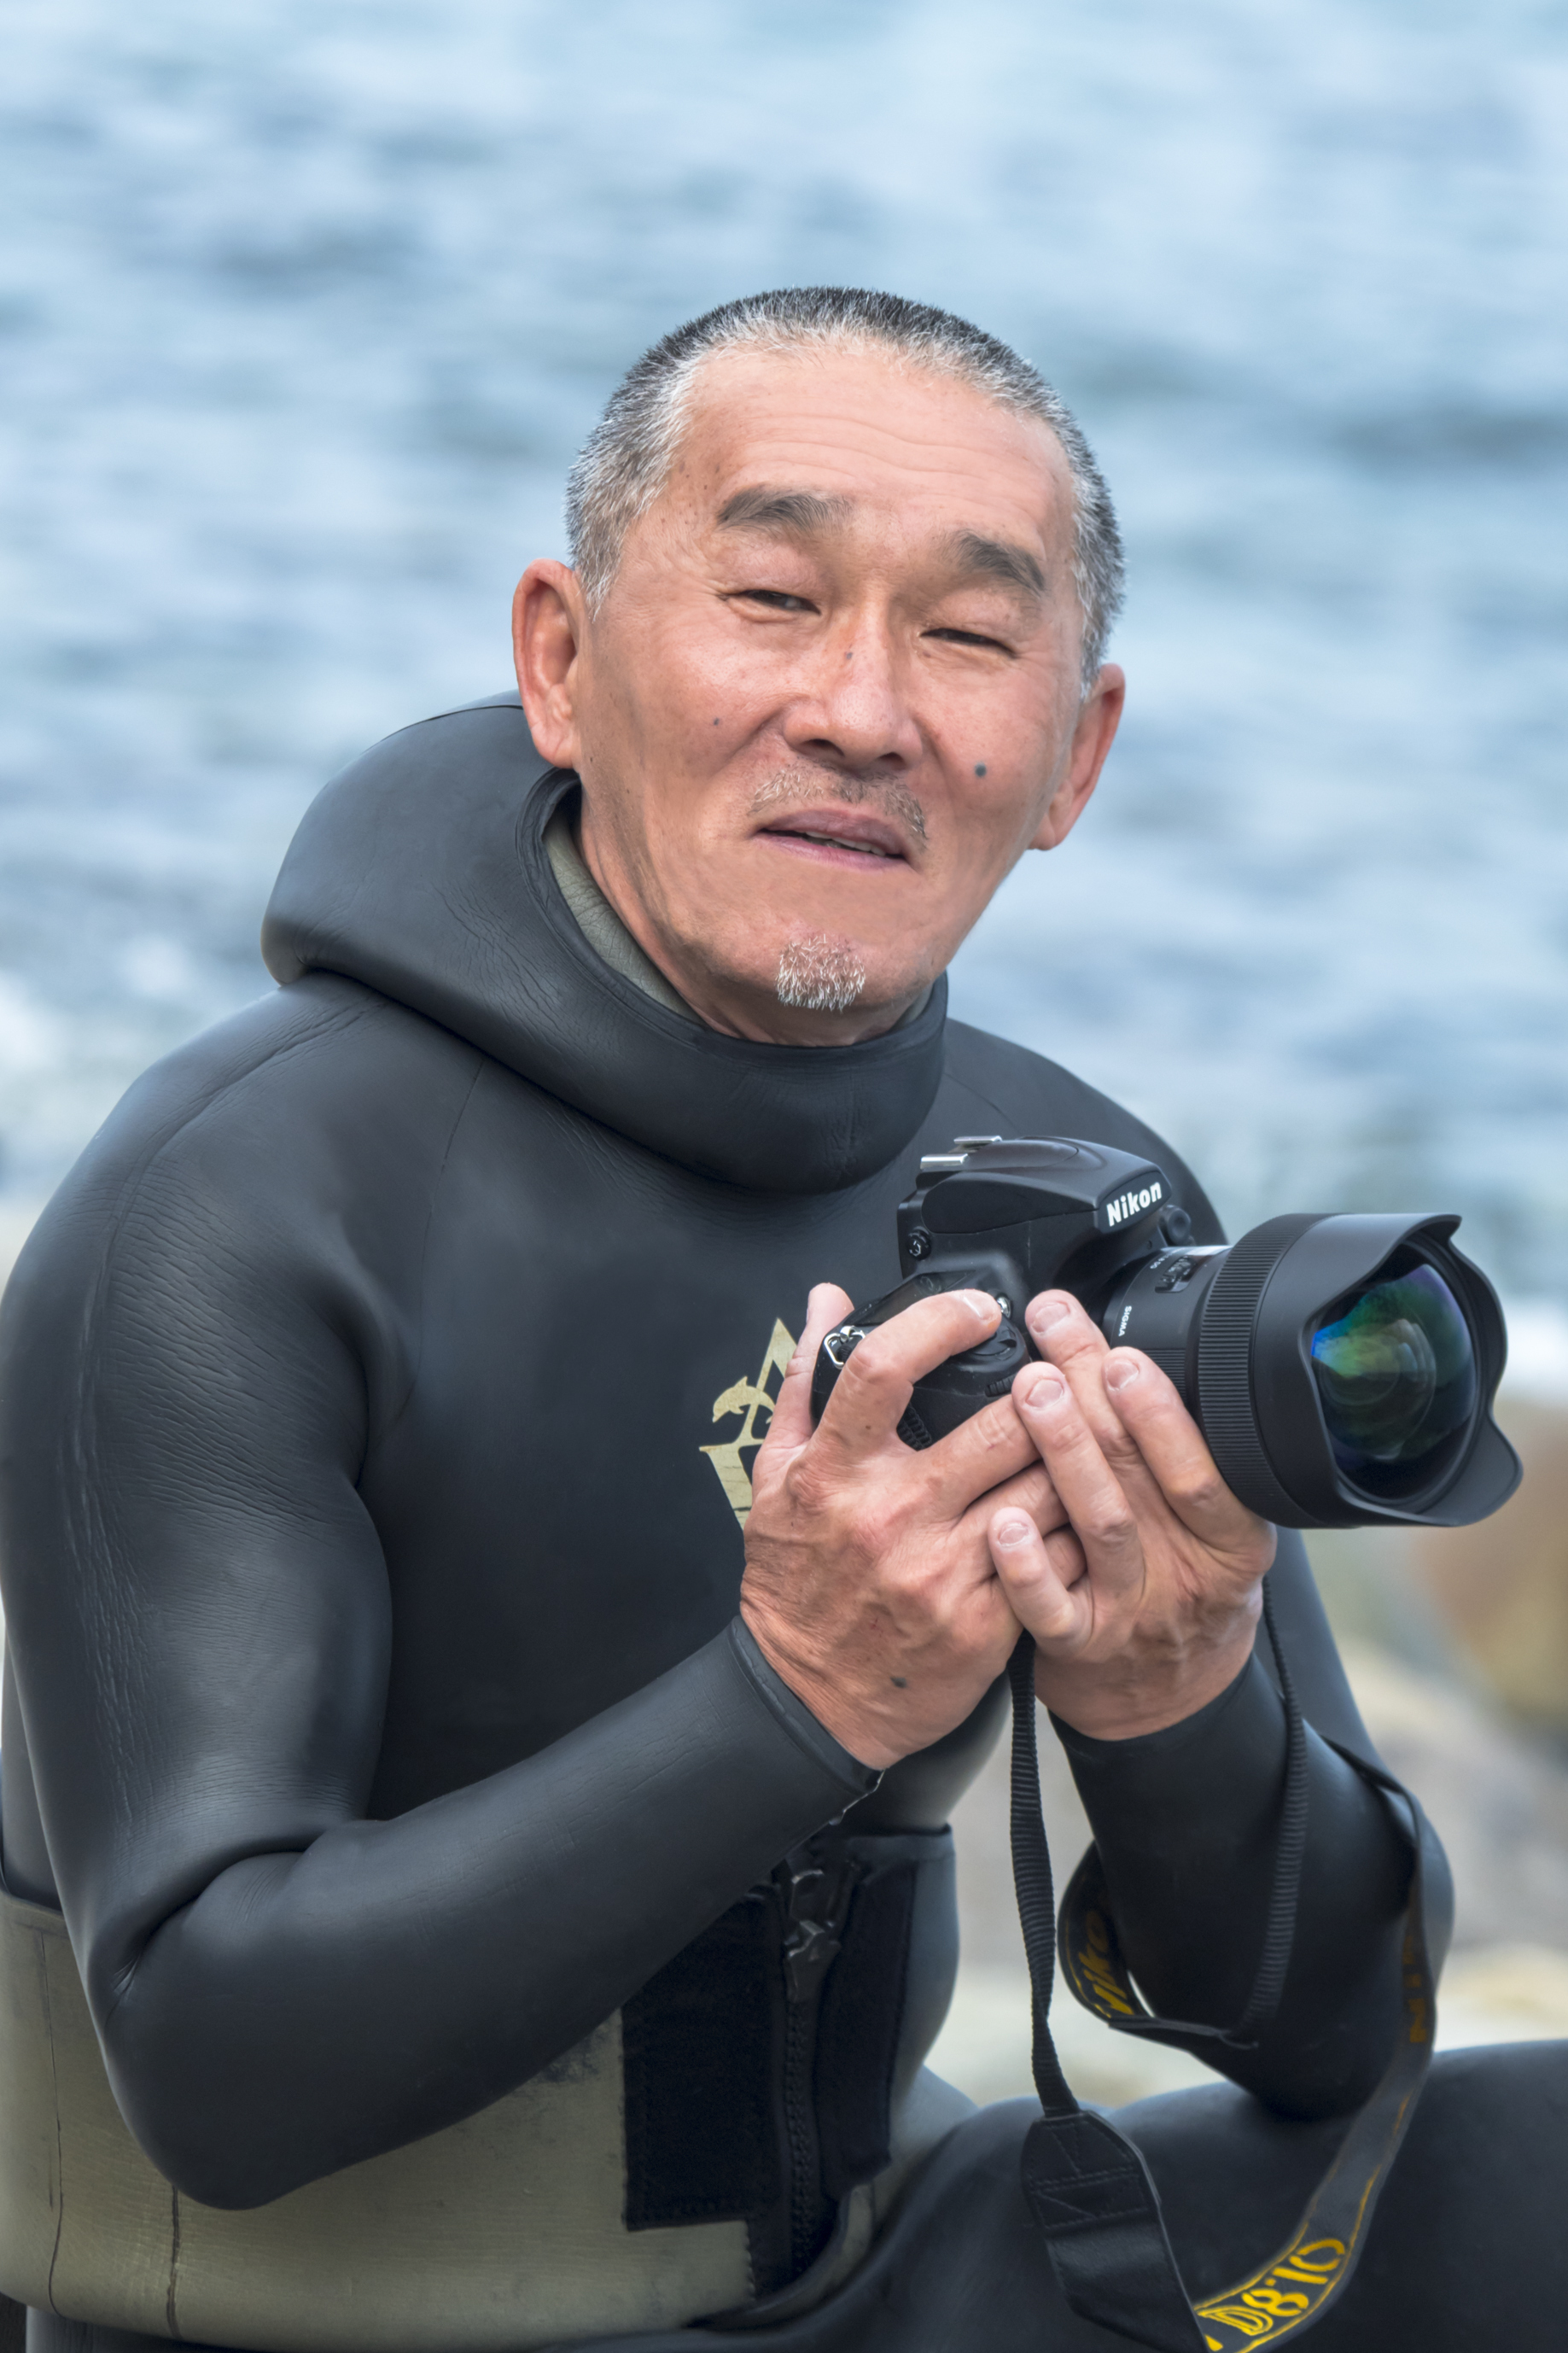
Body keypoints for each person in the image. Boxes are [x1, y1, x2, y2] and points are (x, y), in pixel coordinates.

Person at [0, 288, 1559, 2353]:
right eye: (770, 594)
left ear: (1073, 755)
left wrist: (1185, 1709)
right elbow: (217, 2065)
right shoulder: (237, 1206)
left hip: (864, 2269)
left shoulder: (1077, 1196)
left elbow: (1332, 2048)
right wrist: (800, 1697)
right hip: (303, 2320)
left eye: (971, 635)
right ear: (561, 660)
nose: (862, 707)